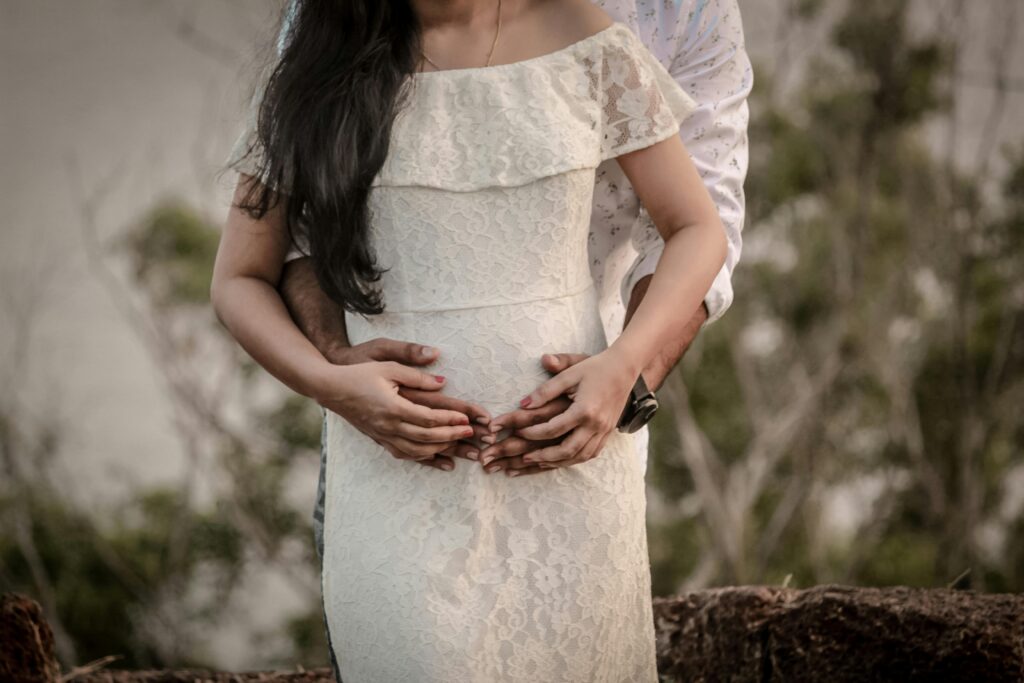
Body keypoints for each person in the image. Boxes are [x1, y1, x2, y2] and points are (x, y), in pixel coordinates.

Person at [211, 0, 739, 679]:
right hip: (396, 479)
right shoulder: (320, 62)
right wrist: (333, 383)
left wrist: (624, 364)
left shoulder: (588, 40)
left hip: (571, 483)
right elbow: (239, 278)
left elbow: (700, 228)